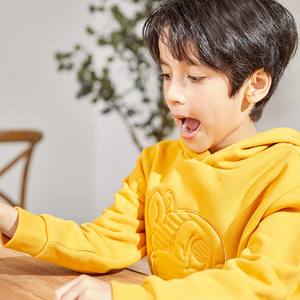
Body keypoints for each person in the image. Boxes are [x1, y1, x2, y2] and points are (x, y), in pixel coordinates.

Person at [1, 0, 300, 299]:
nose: (172, 95)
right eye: (167, 75)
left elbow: (260, 283)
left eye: (195, 77)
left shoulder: (287, 174)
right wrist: (9, 220)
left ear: (255, 84)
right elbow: (105, 242)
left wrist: (124, 295)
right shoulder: (156, 162)